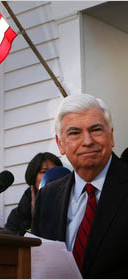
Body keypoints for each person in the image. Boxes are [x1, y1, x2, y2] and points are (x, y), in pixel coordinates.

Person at [31, 93, 128, 278]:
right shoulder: (47, 196)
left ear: (111, 136)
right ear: (60, 144)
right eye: (75, 133)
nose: (88, 141)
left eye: (96, 130)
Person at [5, 152, 63, 236]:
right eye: (44, 172)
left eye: (54, 171)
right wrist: (35, 220)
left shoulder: (68, 205)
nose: (51, 176)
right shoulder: (18, 214)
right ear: (33, 177)